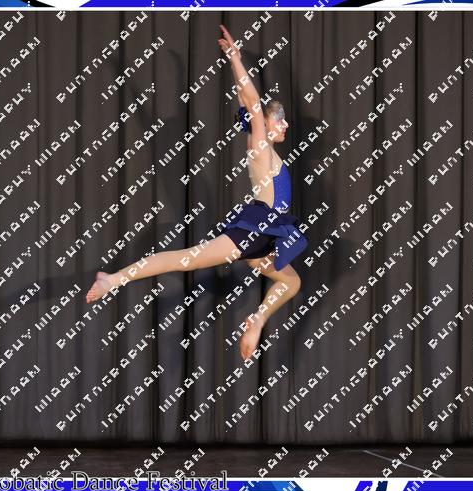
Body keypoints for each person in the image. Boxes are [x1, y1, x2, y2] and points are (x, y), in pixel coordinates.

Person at [86, 24, 308, 361]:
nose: (286, 124)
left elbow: (248, 101)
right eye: (280, 119)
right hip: (257, 230)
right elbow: (251, 101)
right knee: (184, 259)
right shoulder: (260, 146)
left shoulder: (268, 151)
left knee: (291, 282)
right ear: (264, 123)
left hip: (266, 234)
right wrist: (235, 59)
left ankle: (258, 320)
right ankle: (113, 279)